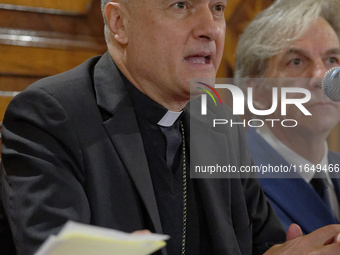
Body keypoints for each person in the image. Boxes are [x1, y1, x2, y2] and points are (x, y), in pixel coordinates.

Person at [1, 0, 340, 254]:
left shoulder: (219, 125)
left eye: (218, 7)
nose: (211, 29)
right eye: (182, 5)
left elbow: (262, 244)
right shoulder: (50, 115)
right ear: (119, 23)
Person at [234, 0, 340, 234]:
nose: (322, 77)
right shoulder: (231, 184)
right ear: (256, 92)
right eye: (296, 61)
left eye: (332, 60)